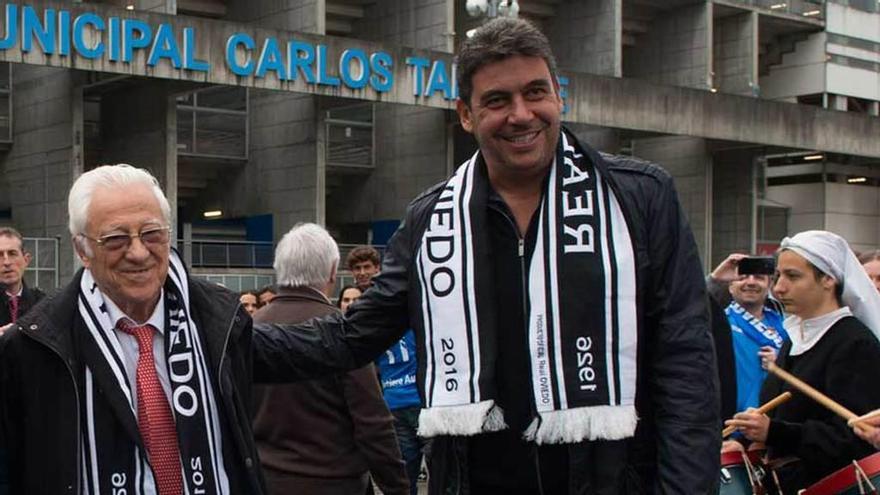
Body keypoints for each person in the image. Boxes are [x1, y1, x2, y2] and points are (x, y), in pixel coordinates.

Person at [286, 17, 718, 493]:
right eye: (497, 100)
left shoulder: (641, 197)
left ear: (559, 96)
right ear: (466, 115)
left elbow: (686, 366)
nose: (521, 114)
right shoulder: (432, 220)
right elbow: (352, 337)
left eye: (535, 92)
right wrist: (224, 331)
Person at [0, 164, 374, 494]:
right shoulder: (34, 348)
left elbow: (329, 345)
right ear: (82, 249)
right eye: (115, 238)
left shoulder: (216, 323)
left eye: (151, 234)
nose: (138, 252)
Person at [252, 224, 407, 495]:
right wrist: (398, 487)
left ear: (279, 268)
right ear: (333, 272)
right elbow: (373, 424)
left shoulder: (248, 329)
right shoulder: (342, 333)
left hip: (263, 480)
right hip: (332, 482)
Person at [726, 230, 880, 492]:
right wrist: (747, 440)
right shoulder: (795, 337)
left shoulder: (855, 343)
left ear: (828, 279)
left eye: (793, 276)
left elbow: (854, 439)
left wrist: (774, 432)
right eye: (778, 276)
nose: (779, 287)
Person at [347, 246, 425, 495]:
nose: (362, 273)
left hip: (422, 400)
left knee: (440, 473)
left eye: (367, 267)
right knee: (404, 477)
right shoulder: (355, 312)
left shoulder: (396, 298)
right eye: (357, 269)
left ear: (378, 269)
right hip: (393, 403)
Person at [711, 254, 788, 413]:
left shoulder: (786, 326)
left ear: (769, 286)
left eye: (759, 277)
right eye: (742, 277)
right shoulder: (717, 323)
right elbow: (690, 310)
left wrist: (781, 363)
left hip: (773, 422)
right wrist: (715, 279)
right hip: (731, 420)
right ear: (730, 287)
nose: (751, 282)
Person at [0, 227, 45, 329]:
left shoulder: (42, 304)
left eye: (12, 254)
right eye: (0, 255)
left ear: (26, 260)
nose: (6, 262)